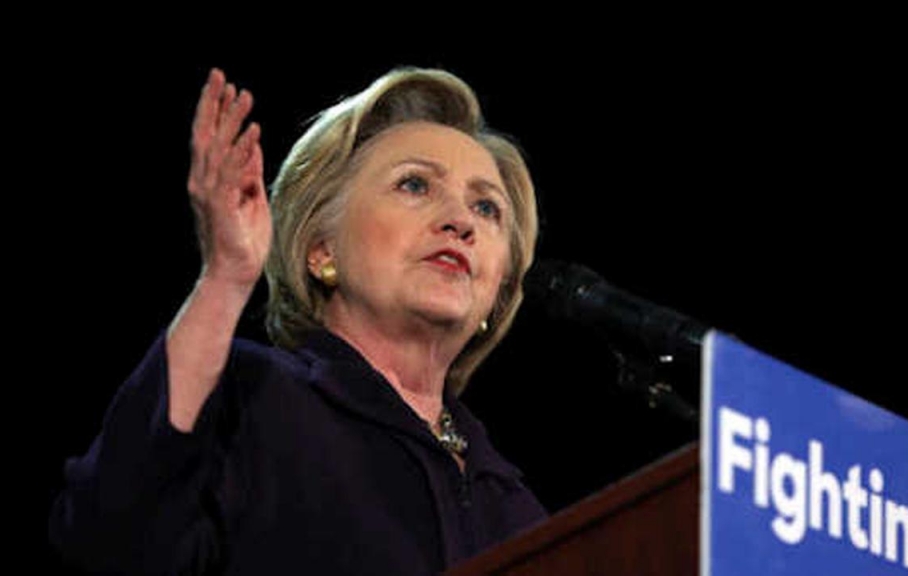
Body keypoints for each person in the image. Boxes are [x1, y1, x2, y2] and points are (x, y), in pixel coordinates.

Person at [49, 66, 545, 575]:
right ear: (321, 249)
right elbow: (109, 534)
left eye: (487, 207)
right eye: (415, 184)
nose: (461, 221)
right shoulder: (253, 398)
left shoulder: (518, 507)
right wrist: (225, 278)